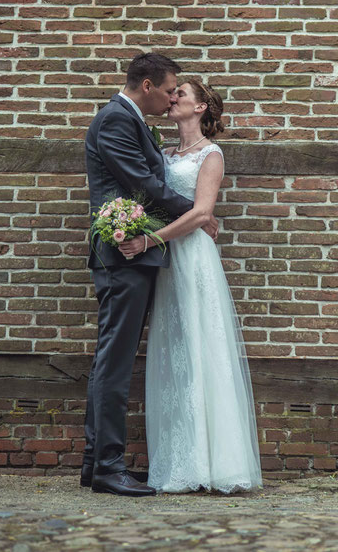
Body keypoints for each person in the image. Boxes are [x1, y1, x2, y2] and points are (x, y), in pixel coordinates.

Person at [118, 78, 262, 494]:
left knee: (201, 349)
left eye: (181, 93)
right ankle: (180, 462)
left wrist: (149, 239)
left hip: (193, 259)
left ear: (200, 108)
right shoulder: (162, 153)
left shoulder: (211, 155)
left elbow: (201, 214)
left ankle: (215, 464)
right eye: (172, 92)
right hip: (166, 262)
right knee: (172, 353)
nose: (172, 97)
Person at [82, 53, 216, 497]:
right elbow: (141, 184)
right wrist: (197, 213)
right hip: (123, 256)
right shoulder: (117, 120)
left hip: (135, 256)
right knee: (115, 364)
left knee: (111, 360)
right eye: (168, 89)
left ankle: (96, 464)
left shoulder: (129, 119)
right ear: (146, 85)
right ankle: (107, 467)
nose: (172, 96)